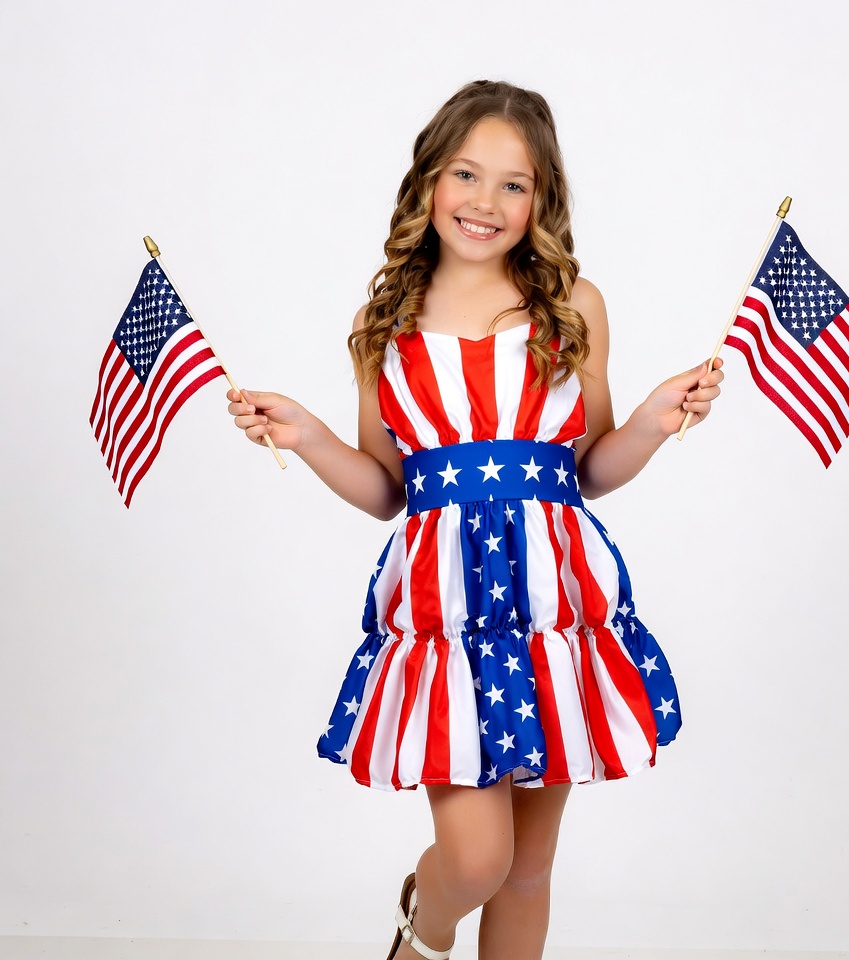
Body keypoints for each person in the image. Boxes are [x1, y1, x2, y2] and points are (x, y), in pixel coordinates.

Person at [227, 79, 723, 960]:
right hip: (448, 618)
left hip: (550, 612)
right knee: (479, 855)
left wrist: (650, 419)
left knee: (528, 866)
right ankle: (427, 924)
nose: (485, 202)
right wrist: (303, 434)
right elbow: (388, 489)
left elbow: (588, 472)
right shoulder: (387, 325)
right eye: (466, 174)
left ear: (542, 202)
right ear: (428, 183)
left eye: (513, 184)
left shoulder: (574, 309)